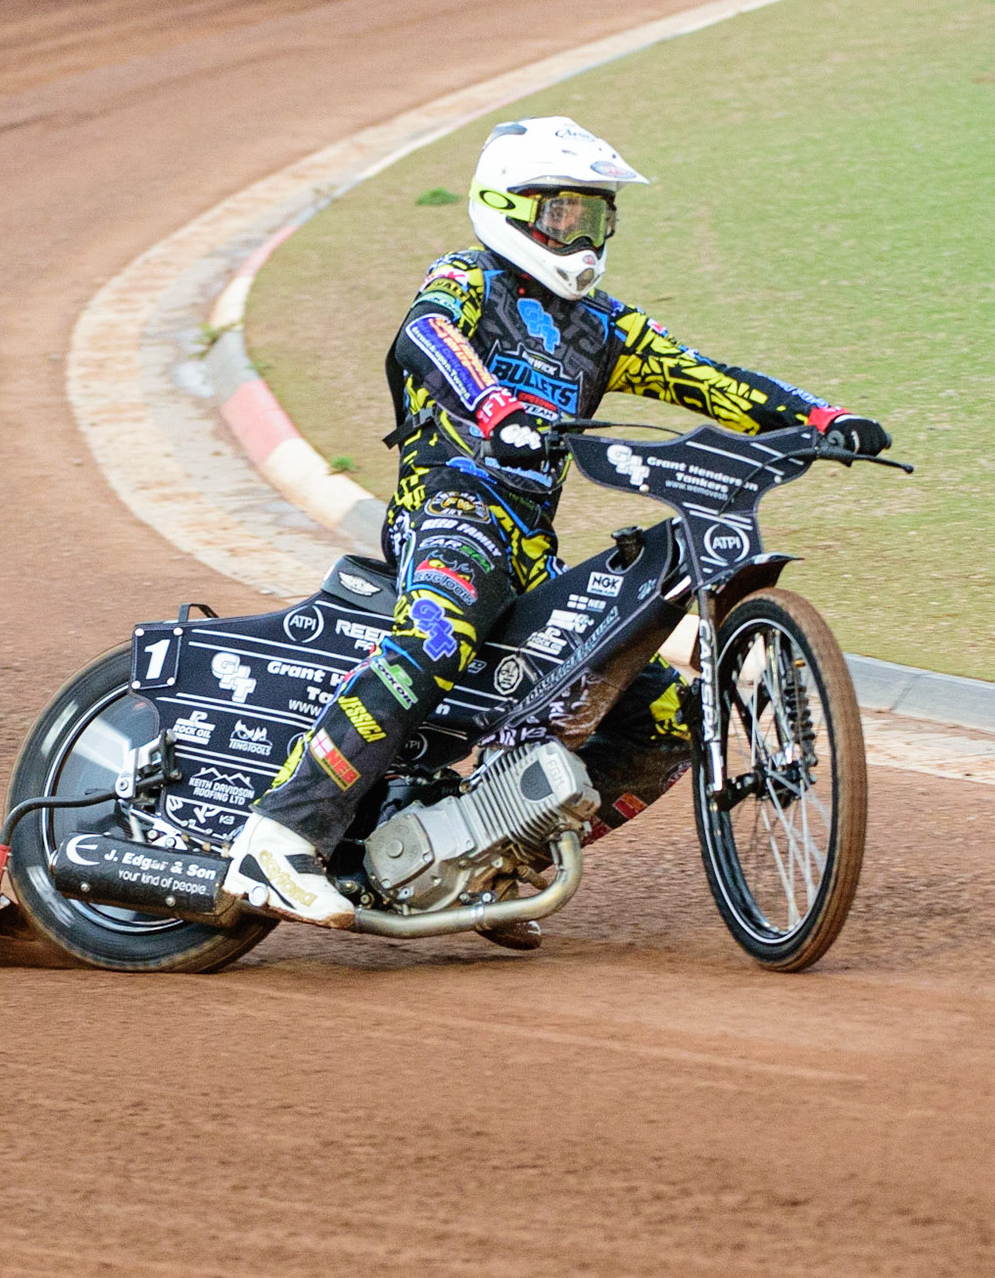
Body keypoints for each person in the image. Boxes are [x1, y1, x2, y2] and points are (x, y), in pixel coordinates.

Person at [221, 117, 891, 932]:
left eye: (594, 217)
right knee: (438, 633)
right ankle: (282, 831)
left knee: (667, 720)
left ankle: (498, 864)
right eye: (559, 213)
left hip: (532, 553)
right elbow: (423, 339)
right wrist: (496, 409)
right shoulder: (467, 279)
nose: (578, 235)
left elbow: (707, 378)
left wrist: (822, 418)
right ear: (505, 207)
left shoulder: (603, 326)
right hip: (450, 515)